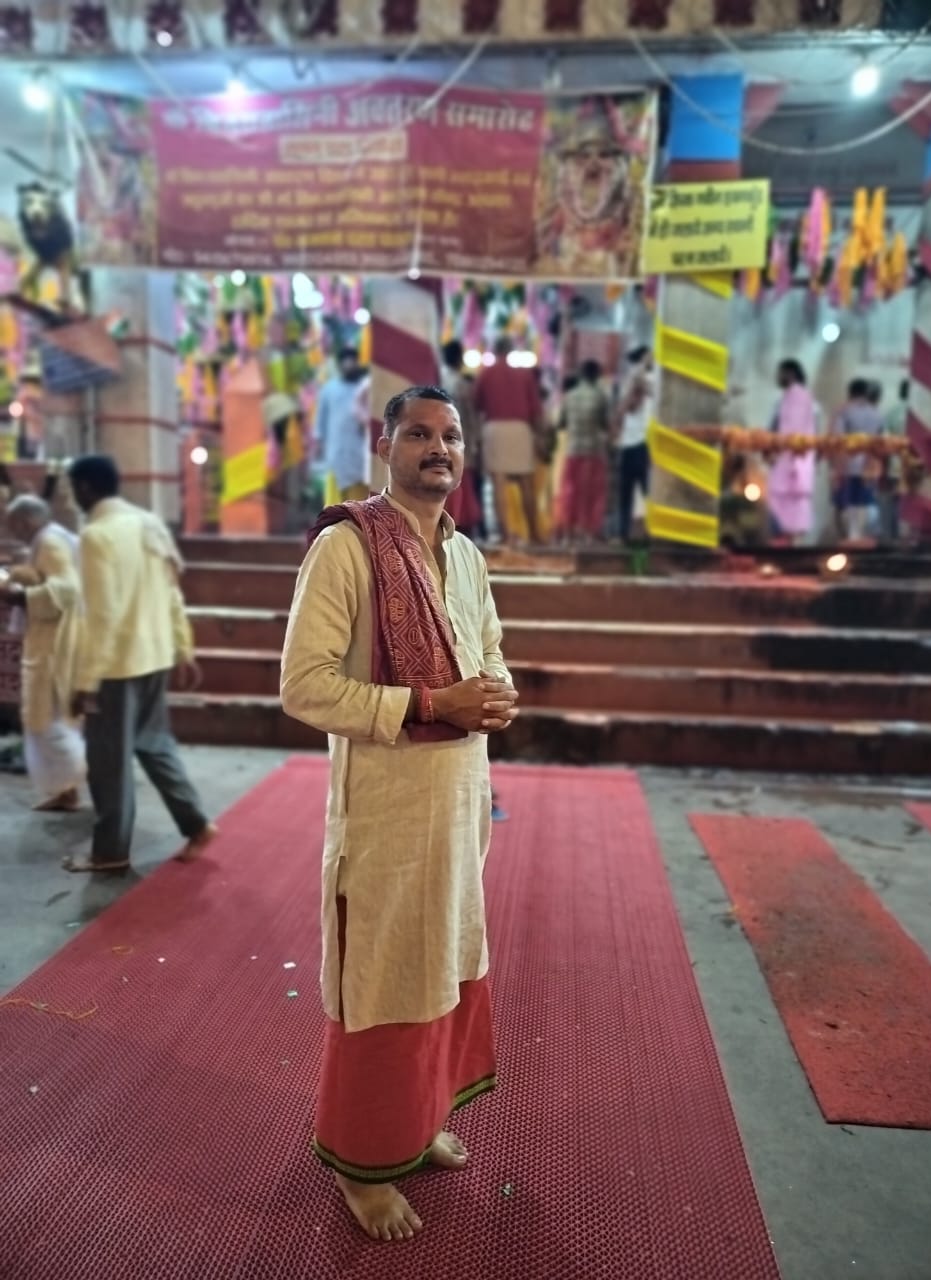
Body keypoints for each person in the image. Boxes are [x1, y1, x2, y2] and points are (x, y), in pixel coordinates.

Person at [280, 384, 518, 1243]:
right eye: (418, 433)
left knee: (442, 964)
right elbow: (303, 687)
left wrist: (497, 693)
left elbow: (489, 647)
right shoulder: (346, 546)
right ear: (385, 446)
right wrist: (430, 704)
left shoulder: (466, 554)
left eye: (450, 435)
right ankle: (360, 1160)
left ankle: (416, 1123)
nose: (437, 448)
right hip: (385, 816)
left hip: (457, 806)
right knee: (384, 979)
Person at [65, 455, 217, 873]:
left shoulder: (96, 535)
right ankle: (197, 824)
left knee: (108, 762)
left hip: (116, 667)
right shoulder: (148, 523)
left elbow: (102, 616)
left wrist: (86, 681)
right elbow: (171, 592)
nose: (73, 497)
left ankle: (109, 851)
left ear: (86, 488)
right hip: (154, 656)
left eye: (73, 489)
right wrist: (182, 646)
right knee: (154, 744)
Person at [1, 495, 85, 810]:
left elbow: (67, 591)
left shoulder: (49, 542)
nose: (12, 531)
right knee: (50, 718)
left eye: (13, 524)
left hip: (54, 643)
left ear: (26, 521)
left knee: (46, 721)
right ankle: (66, 791)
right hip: (53, 638)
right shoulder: (54, 538)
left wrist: (18, 595)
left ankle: (87, 774)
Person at [474, 336, 543, 546]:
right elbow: (536, 410)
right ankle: (534, 533)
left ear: (494, 351)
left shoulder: (486, 374)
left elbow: (477, 404)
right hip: (521, 429)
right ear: (511, 351)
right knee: (526, 482)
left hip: (495, 427)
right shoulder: (525, 374)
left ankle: (506, 534)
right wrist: (539, 436)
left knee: (498, 482)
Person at [556, 359, 611, 543]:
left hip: (573, 450)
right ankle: (588, 532)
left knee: (570, 492)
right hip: (594, 451)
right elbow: (605, 424)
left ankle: (568, 532)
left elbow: (561, 423)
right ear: (596, 376)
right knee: (592, 494)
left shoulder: (569, 396)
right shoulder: (600, 396)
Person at [767, 359, 819, 544]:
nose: (777, 377)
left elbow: (791, 433)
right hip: (792, 463)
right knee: (789, 510)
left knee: (790, 513)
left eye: (781, 373)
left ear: (791, 374)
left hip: (792, 463)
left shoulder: (797, 399)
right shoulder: (789, 399)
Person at [313, 347, 370, 506]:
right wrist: (318, 445)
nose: (349, 366)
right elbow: (320, 422)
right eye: (345, 363)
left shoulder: (366, 389)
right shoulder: (329, 390)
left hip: (359, 458)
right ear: (339, 366)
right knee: (334, 506)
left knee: (358, 507)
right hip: (335, 456)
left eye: (352, 362)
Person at [440, 339, 483, 538]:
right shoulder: (462, 385)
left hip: (439, 442)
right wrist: (475, 443)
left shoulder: (436, 381)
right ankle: (462, 526)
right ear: (460, 359)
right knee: (463, 486)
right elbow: (470, 416)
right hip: (460, 443)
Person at [832, 378, 883, 541]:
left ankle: (848, 540)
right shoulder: (876, 414)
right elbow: (880, 443)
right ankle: (864, 538)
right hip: (869, 467)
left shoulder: (844, 411)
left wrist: (836, 470)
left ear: (850, 393)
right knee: (866, 505)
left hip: (847, 466)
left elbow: (838, 440)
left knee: (844, 506)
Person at [615, 345, 654, 542]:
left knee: (648, 491)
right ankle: (624, 532)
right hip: (629, 443)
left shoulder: (649, 381)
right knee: (627, 492)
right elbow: (625, 409)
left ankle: (652, 530)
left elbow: (632, 404)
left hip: (643, 443)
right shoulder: (632, 381)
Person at [879, 378, 908, 541]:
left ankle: (891, 537)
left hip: (895, 464)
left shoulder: (892, 413)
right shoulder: (922, 414)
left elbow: (884, 441)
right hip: (917, 468)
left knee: (893, 500)